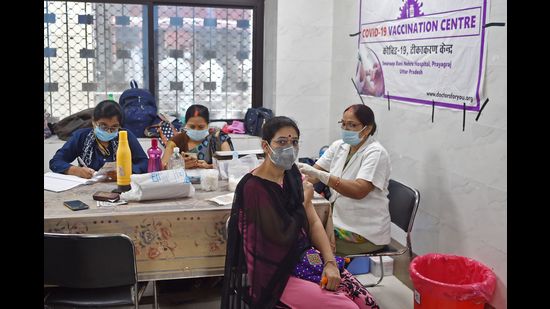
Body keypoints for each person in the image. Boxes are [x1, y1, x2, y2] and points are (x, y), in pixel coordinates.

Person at [221, 116, 379, 309]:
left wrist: (329, 262)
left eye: (294, 142)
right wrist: (303, 201)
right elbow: (279, 236)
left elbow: (313, 223)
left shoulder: (292, 174)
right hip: (276, 271)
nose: (289, 147)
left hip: (305, 257)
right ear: (265, 146)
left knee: (367, 303)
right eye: (281, 142)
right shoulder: (253, 188)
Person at [297, 104, 391, 256]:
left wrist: (322, 175)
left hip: (362, 231)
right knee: (300, 229)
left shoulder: (376, 153)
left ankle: (329, 275)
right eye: (344, 124)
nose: (346, 129)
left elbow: (359, 191)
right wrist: (290, 177)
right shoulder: (339, 146)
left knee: (310, 242)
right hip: (339, 218)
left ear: (367, 129)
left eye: (352, 125)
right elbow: (313, 176)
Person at [49, 100, 148, 178]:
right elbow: (55, 162)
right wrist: (76, 170)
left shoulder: (125, 136)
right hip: (87, 188)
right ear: (93, 122)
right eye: (103, 126)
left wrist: (126, 170)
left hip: (120, 185)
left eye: (114, 127)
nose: (108, 131)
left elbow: (144, 163)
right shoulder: (81, 137)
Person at [161, 104, 233, 169]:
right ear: (186, 125)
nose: (196, 130)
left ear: (208, 125)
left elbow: (231, 164)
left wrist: (210, 166)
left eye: (201, 127)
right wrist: (180, 165)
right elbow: (162, 167)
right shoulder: (177, 141)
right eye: (192, 126)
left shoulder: (218, 137)